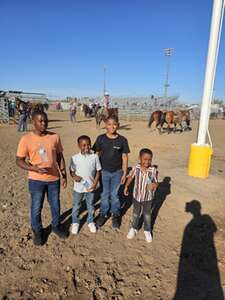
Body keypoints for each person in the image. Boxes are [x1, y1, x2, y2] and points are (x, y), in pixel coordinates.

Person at [16, 111, 68, 246]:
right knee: (36, 207)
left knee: (55, 205)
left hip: (53, 180)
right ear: (33, 122)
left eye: (45, 121)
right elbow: (19, 160)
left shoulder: (55, 137)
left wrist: (64, 175)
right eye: (40, 121)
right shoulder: (26, 139)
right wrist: (34, 168)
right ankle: (38, 231)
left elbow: (59, 157)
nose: (44, 123)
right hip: (36, 180)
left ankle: (56, 226)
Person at [94, 115, 130, 229]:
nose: (112, 126)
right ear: (105, 125)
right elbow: (96, 155)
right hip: (104, 172)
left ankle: (115, 213)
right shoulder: (100, 139)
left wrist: (124, 173)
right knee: (104, 194)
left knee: (114, 195)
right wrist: (96, 171)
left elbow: (124, 157)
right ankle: (103, 214)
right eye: (109, 124)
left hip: (117, 172)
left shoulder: (122, 140)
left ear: (118, 125)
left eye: (114, 124)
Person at [124, 148, 158, 243]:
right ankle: (134, 228)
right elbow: (131, 177)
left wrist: (154, 185)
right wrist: (126, 186)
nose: (147, 162)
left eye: (149, 159)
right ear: (140, 158)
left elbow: (155, 181)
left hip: (148, 198)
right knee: (135, 213)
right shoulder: (136, 168)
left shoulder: (153, 170)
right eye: (145, 159)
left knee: (147, 215)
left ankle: (147, 230)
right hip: (137, 196)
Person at [69, 135, 101, 234]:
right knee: (76, 205)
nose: (86, 147)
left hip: (90, 187)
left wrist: (95, 183)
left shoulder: (94, 156)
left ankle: (90, 221)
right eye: (83, 145)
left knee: (90, 205)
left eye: (88, 145)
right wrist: (74, 176)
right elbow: (71, 171)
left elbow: (98, 171)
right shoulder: (74, 158)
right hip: (78, 188)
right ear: (78, 146)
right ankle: (75, 222)